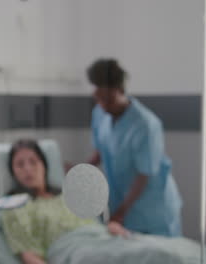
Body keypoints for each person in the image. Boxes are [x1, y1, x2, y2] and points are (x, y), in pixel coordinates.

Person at [67, 59, 182, 237]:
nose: (103, 104)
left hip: (152, 209)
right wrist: (81, 170)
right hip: (121, 204)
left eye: (108, 99)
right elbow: (101, 150)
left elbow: (143, 175)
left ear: (120, 91)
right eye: (99, 98)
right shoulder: (99, 113)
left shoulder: (146, 125)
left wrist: (121, 213)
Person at [2, 139, 130, 264]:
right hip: (72, 251)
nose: (28, 169)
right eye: (20, 164)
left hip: (102, 240)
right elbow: (29, 256)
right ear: (13, 172)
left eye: (33, 162)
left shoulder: (68, 196)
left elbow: (94, 224)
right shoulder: (16, 208)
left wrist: (108, 228)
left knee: (144, 247)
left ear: (44, 166)